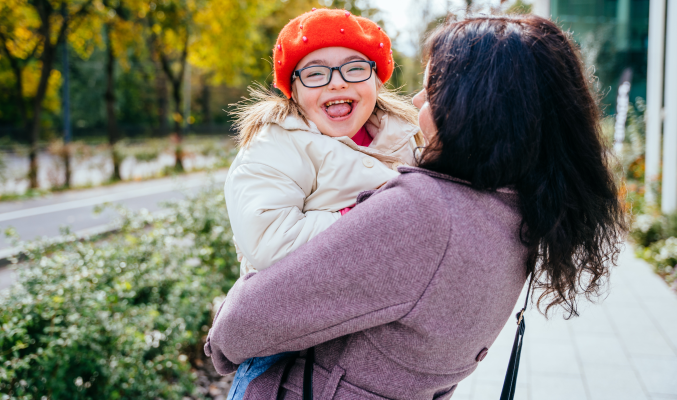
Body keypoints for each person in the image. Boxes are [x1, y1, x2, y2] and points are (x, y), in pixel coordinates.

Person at [206, 14, 628, 400]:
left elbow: (239, 326)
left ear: (476, 105)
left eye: (434, 87)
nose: (419, 100)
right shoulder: (517, 210)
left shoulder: (422, 209)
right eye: (315, 73)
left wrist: (221, 338)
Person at [222, 8, 424, 399]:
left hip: (372, 336)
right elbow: (269, 241)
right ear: (293, 90)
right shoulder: (277, 142)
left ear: (377, 79)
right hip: (288, 342)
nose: (336, 84)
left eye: (354, 68)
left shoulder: (407, 137)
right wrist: (372, 217)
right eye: (315, 73)